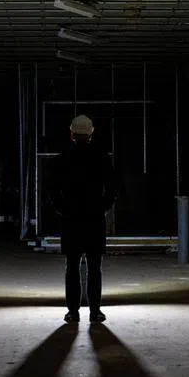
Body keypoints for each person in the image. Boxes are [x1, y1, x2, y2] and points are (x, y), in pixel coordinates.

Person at [48, 114, 118, 323]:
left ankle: (73, 312)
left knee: (72, 267)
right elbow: (112, 188)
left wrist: (63, 209)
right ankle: (95, 312)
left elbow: (53, 189)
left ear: (72, 133)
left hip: (71, 219)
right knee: (95, 268)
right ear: (90, 133)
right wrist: (102, 207)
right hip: (94, 218)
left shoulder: (63, 157)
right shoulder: (101, 156)